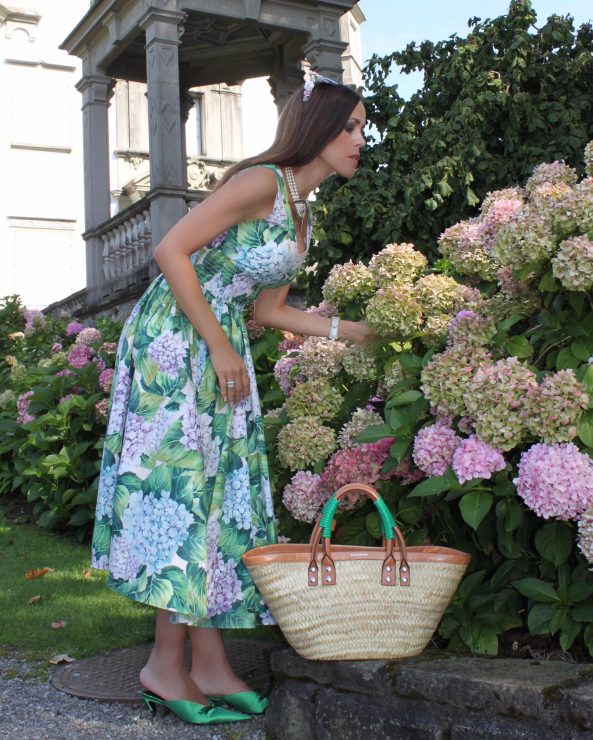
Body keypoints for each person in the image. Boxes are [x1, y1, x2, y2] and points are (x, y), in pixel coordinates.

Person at [90, 74, 371, 725]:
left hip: (221, 343)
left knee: (218, 493)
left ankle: (210, 663)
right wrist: (218, 345)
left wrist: (351, 330)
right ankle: (165, 666)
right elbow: (170, 250)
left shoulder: (301, 212)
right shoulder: (260, 183)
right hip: (177, 336)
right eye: (350, 126)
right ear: (317, 130)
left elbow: (269, 310)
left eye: (362, 128)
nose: (360, 140)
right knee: (184, 490)